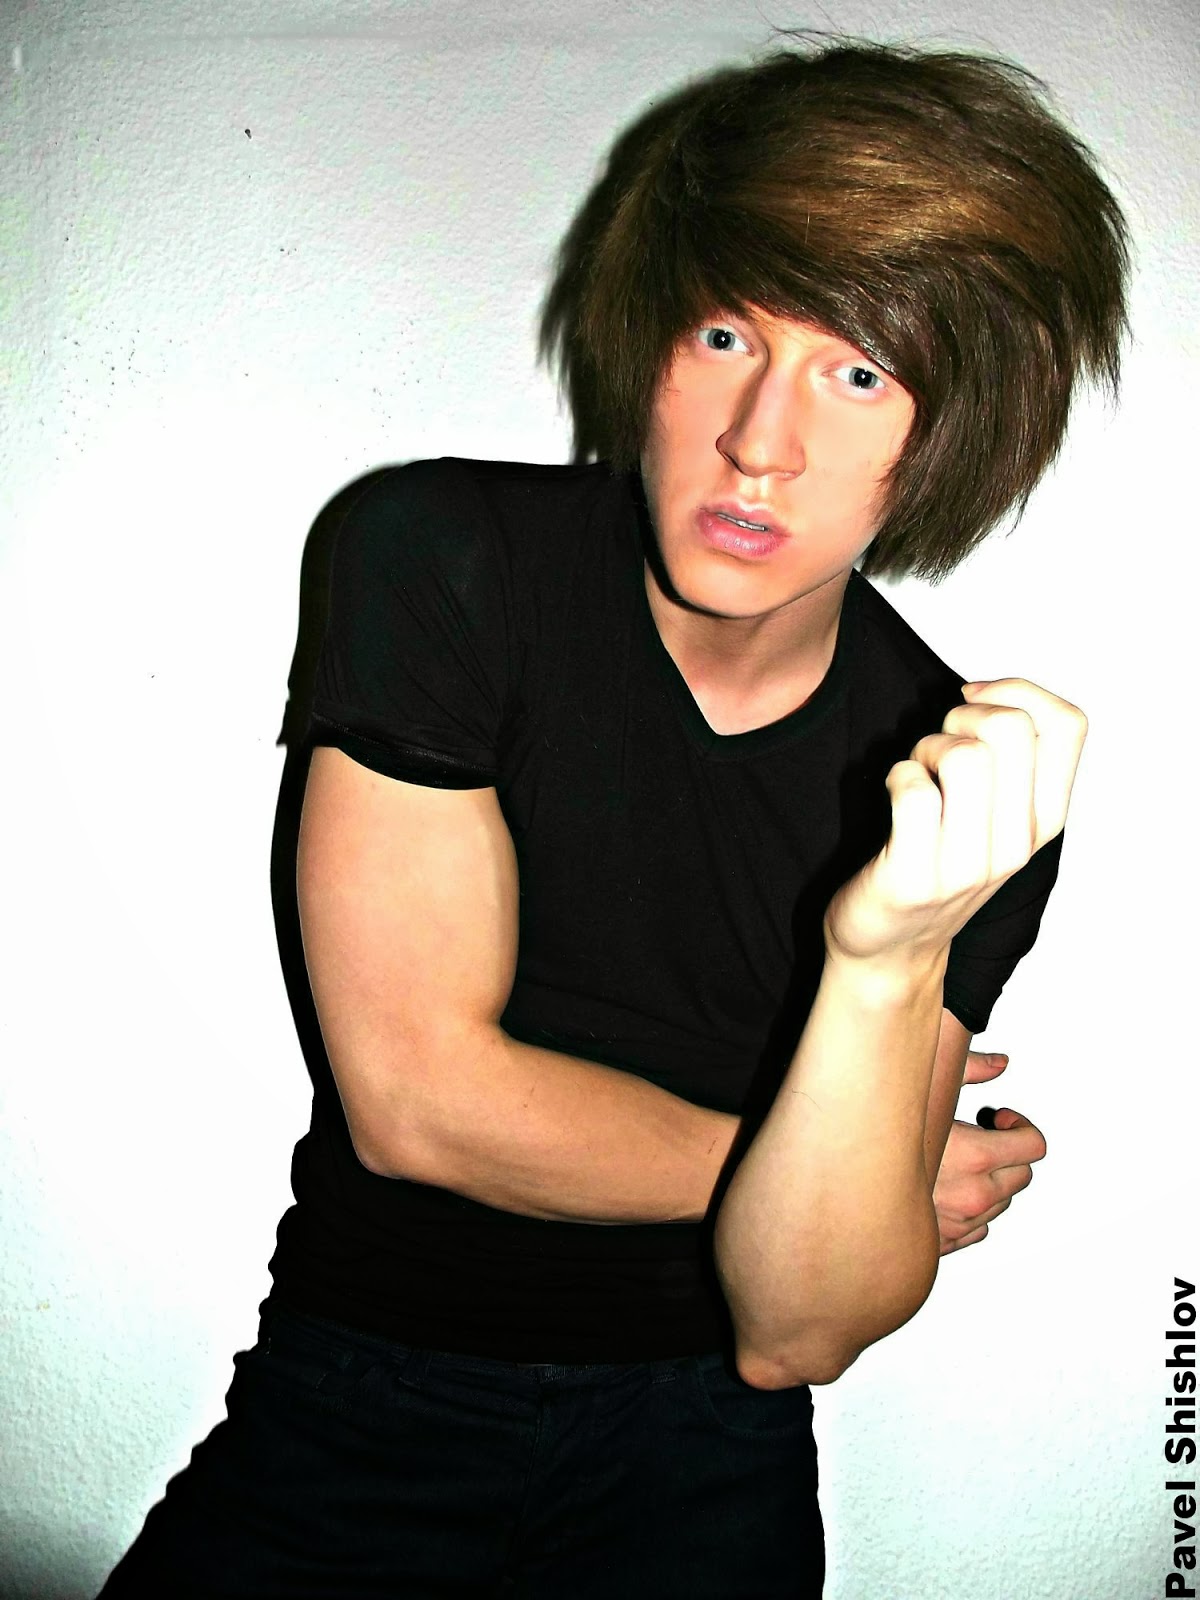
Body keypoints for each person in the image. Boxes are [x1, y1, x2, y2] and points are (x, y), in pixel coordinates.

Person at [99, 35, 1129, 1599]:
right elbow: (421, 1103)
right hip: (369, 1395)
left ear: (953, 430)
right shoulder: (444, 559)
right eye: (725, 334)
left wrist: (884, 960)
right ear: (649, 339)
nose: (761, 440)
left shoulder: (964, 783)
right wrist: (845, 1181)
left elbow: (802, 1325)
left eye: (859, 370)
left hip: (707, 1445)